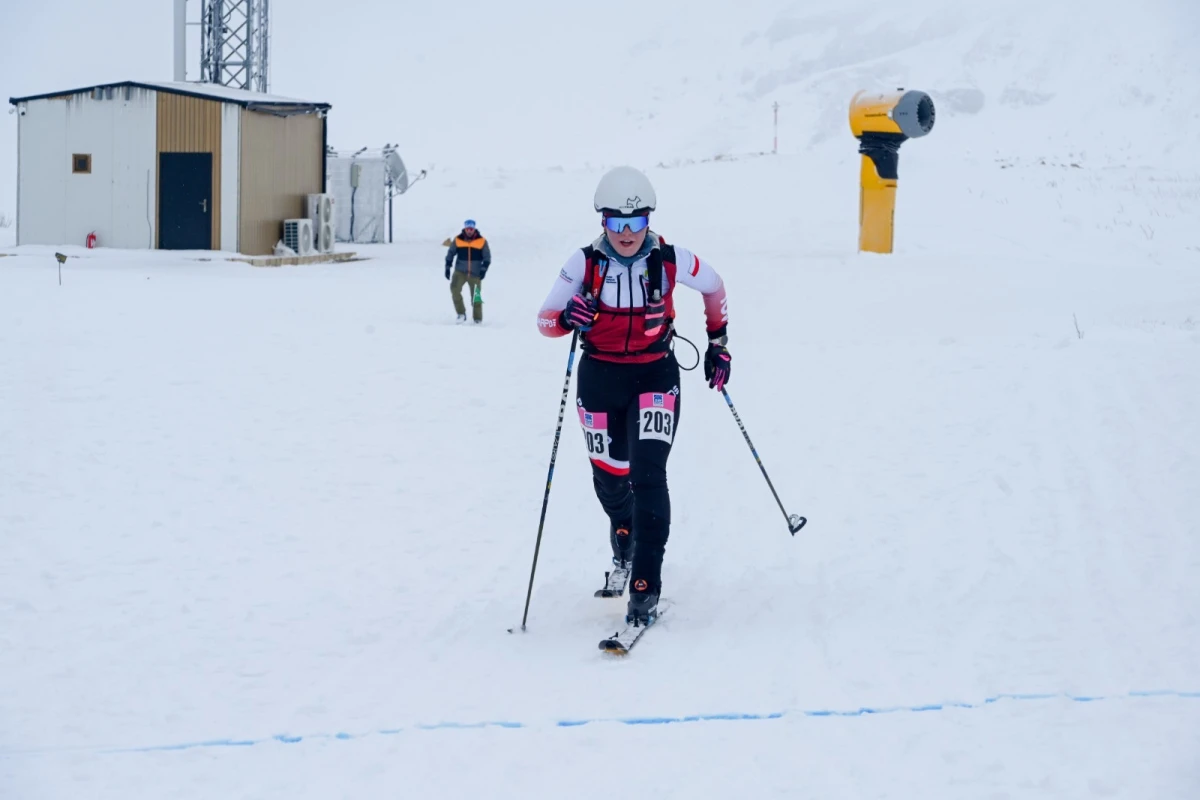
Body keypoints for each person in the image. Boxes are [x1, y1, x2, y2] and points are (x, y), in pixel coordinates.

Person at [536, 166, 731, 626]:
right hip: (600, 378)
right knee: (610, 479)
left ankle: (645, 583)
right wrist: (569, 317)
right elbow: (544, 321)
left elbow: (715, 287)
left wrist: (718, 344)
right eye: (616, 223)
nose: (626, 234)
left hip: (655, 376)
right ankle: (622, 534)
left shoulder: (671, 259)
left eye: (636, 223)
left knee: (648, 476)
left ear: (649, 220)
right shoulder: (582, 263)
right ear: (602, 221)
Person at [445, 219, 491, 324]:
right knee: (454, 290)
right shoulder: (458, 240)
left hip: (475, 273)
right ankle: (461, 313)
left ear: (474, 229)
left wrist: (483, 269)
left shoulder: (481, 241)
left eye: (471, 229)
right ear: (465, 229)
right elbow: (450, 253)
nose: (469, 231)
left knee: (476, 296)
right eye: (467, 229)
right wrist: (447, 266)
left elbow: (487, 257)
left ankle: (477, 318)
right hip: (460, 271)